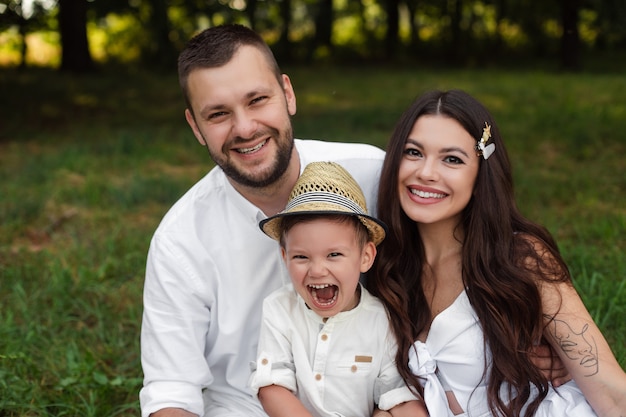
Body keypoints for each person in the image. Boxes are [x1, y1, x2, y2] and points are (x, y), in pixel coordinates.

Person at [139, 24, 386, 417]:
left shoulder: (374, 177)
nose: (245, 128)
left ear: (287, 93)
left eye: (257, 100)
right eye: (218, 114)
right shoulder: (181, 240)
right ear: (195, 127)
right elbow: (172, 388)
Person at [367, 89, 626, 416]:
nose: (427, 172)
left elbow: (612, 390)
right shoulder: (383, 266)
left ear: (480, 175)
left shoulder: (518, 257)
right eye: (414, 152)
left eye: (452, 159)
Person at [249, 161, 428, 417]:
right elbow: (272, 388)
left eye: (333, 254)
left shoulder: (380, 320)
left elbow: (395, 397)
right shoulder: (280, 309)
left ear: (365, 257)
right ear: (284, 256)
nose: (318, 270)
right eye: (301, 257)